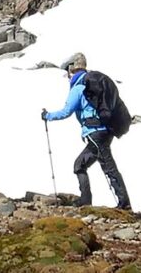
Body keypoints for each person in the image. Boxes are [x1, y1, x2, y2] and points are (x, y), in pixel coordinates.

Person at [41, 53, 131, 210]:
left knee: (108, 167)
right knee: (80, 165)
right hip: (105, 131)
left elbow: (66, 111)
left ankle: (124, 204)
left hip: (95, 132)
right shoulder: (92, 83)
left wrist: (47, 116)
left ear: (71, 69)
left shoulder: (79, 87)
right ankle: (86, 201)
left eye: (67, 71)